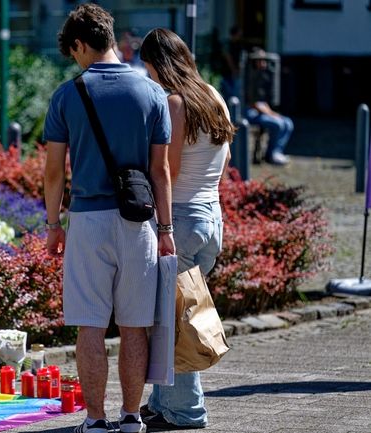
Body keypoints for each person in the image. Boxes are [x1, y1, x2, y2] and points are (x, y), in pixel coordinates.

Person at [43, 4, 174, 433]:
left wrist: (52, 225)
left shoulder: (67, 95)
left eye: (74, 52)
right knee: (136, 326)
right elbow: (161, 172)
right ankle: (132, 418)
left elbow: (53, 171)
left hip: (88, 220)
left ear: (80, 44)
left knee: (91, 326)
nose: (76, 61)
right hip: (140, 222)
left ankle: (96, 420)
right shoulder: (152, 93)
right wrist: (167, 231)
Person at [138, 28, 234, 430]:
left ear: (159, 65)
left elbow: (168, 172)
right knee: (173, 313)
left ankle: (185, 412)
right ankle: (163, 403)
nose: (146, 77)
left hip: (182, 220)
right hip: (211, 217)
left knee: (175, 320)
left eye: (147, 68)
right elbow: (223, 164)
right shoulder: (213, 96)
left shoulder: (175, 104)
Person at [245, 48, 293, 166]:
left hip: (262, 112)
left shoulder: (262, 77)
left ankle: (277, 151)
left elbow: (263, 102)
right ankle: (271, 154)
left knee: (288, 122)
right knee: (278, 124)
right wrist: (272, 115)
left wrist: (273, 113)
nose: (264, 63)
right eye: (261, 60)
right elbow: (253, 104)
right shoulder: (249, 77)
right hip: (250, 114)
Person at [220, 26, 243, 101]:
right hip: (227, 73)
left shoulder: (238, 45)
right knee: (229, 94)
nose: (240, 36)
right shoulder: (227, 44)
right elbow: (228, 58)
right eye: (239, 34)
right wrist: (234, 70)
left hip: (233, 73)